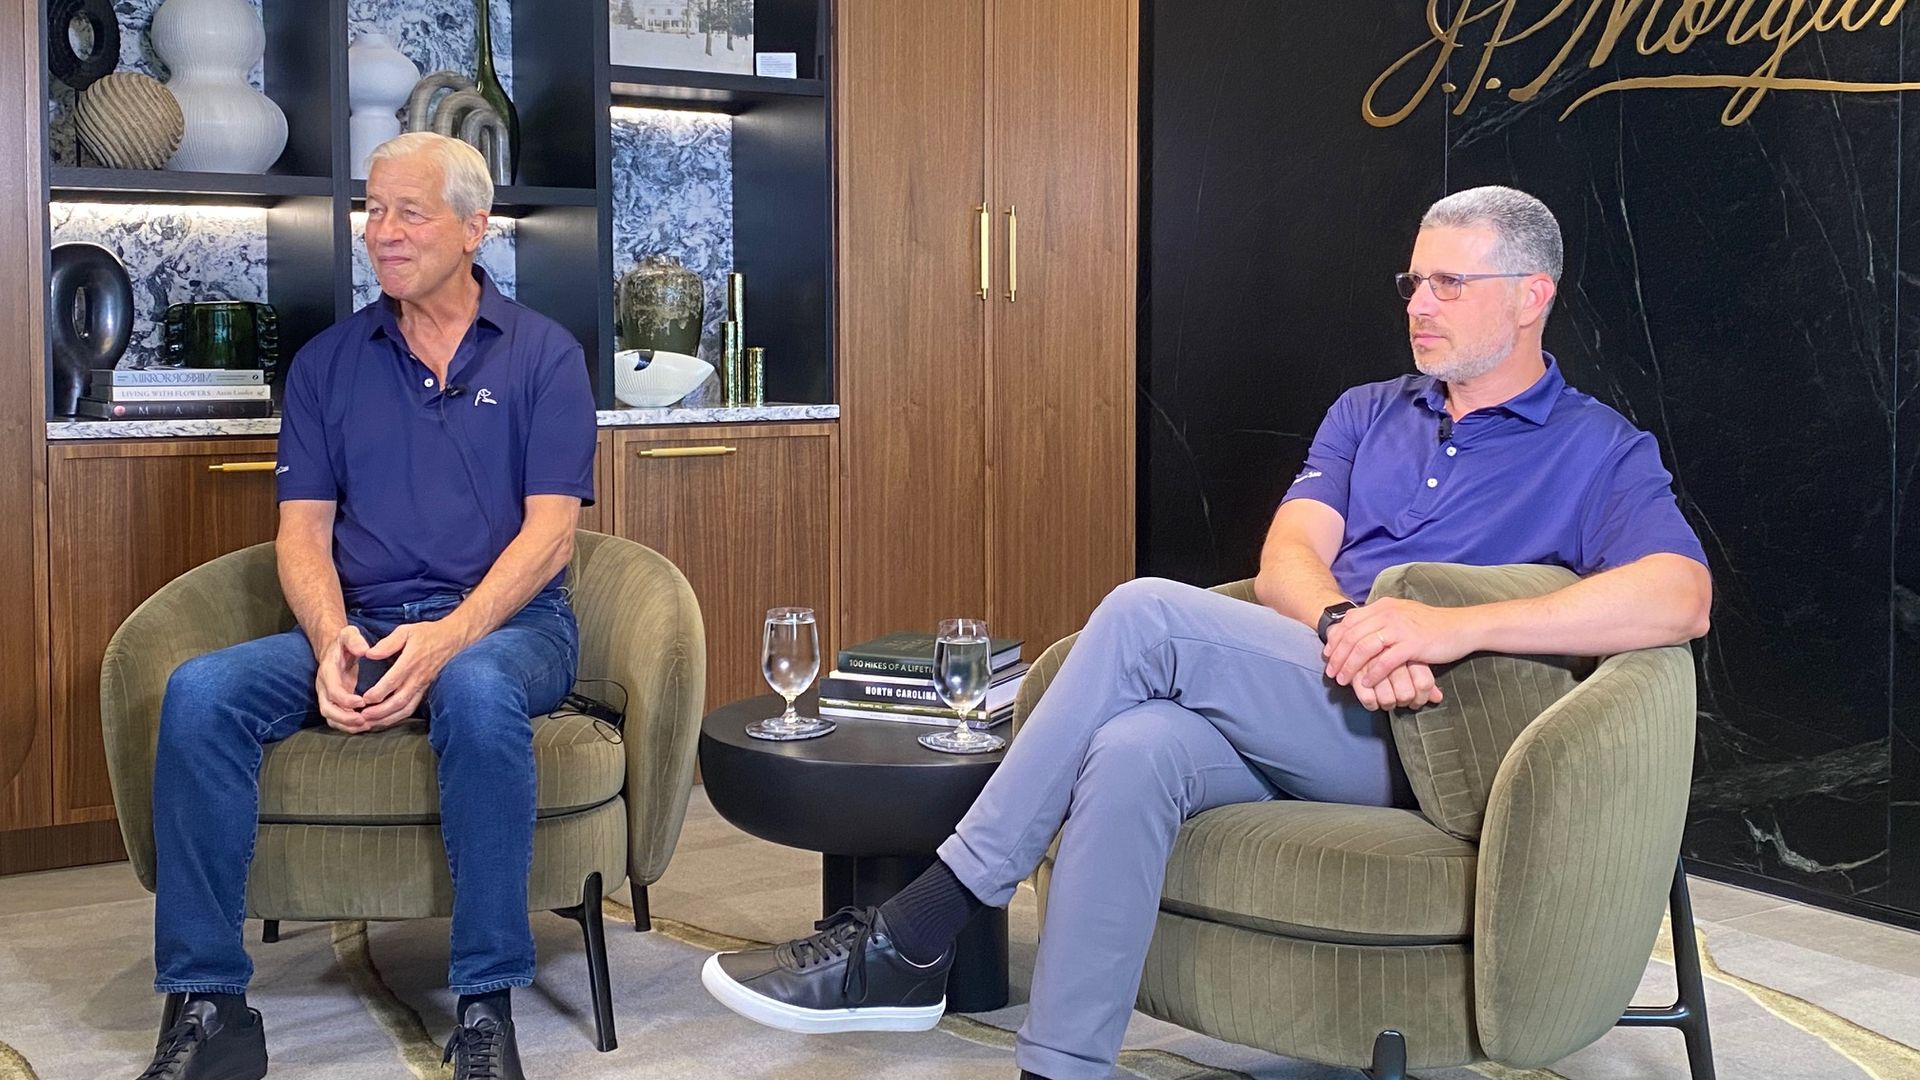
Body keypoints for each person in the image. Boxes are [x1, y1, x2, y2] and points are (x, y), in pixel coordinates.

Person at [698, 186, 1713, 1080]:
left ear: (1531, 294)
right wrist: (1349, 627)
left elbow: (1681, 598)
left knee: (1145, 612)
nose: (1418, 306)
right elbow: (1287, 560)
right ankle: (1061, 1070)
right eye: (1411, 283)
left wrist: (1450, 629)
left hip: (1433, 748)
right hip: (1323, 690)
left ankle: (921, 927)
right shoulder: (1371, 413)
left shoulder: (1596, 449)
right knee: (1136, 750)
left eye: (1448, 284)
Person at [135, 132, 596, 1080]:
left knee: (470, 687)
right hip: (366, 623)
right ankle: (209, 1005)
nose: (381, 233)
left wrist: (449, 637)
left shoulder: (546, 356)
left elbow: (550, 536)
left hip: (512, 629)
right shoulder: (327, 364)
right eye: (373, 209)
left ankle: (484, 1007)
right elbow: (301, 535)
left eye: (409, 212)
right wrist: (330, 639)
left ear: (475, 227)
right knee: (199, 693)